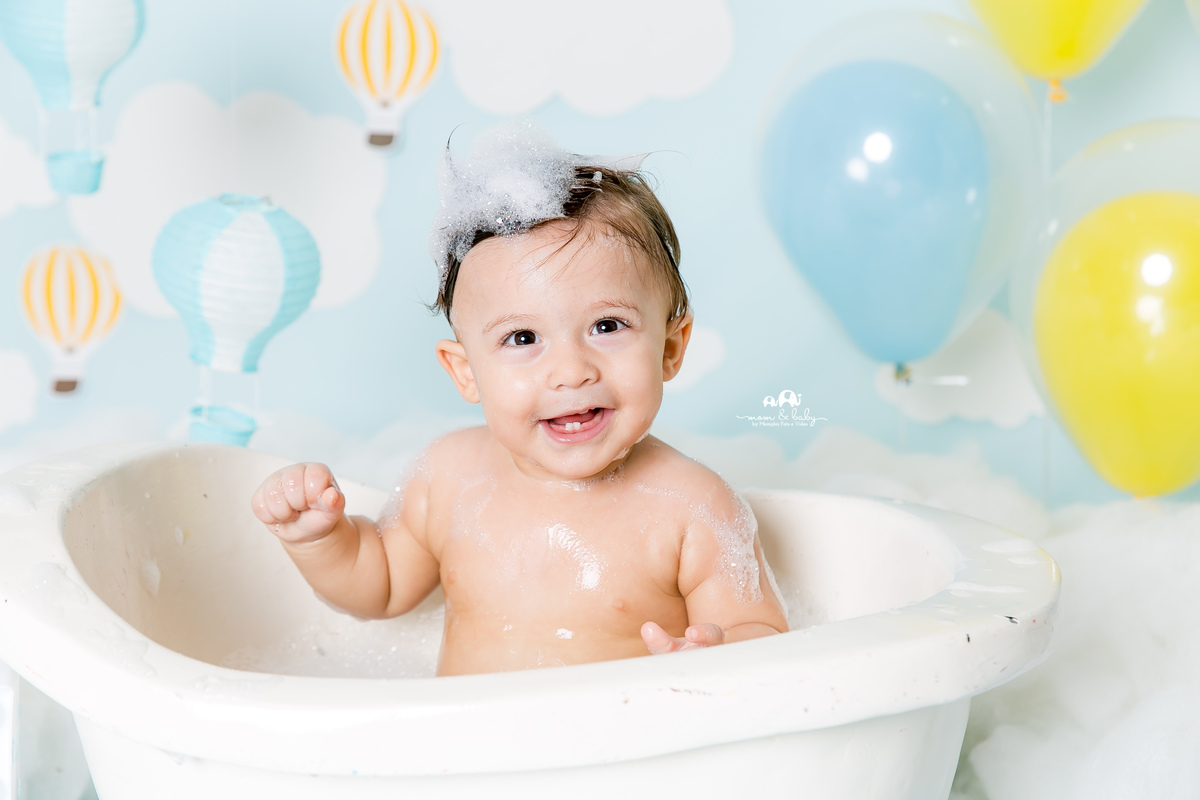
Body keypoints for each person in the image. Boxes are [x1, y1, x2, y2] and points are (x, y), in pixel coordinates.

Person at [251, 129, 788, 676]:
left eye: (607, 326)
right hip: (469, 753)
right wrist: (320, 540)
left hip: (614, 755)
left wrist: (715, 657)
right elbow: (381, 586)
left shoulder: (692, 507)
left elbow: (763, 631)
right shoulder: (448, 477)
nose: (572, 371)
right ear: (466, 372)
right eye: (523, 339)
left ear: (670, 347)